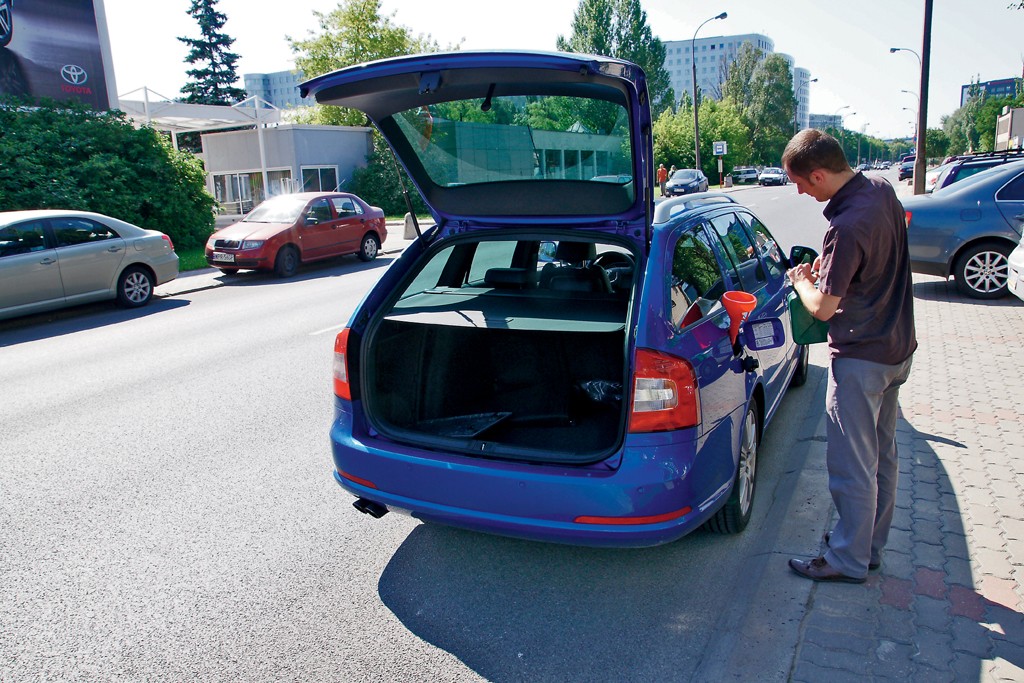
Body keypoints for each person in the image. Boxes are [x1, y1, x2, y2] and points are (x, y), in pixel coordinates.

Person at [782, 129, 917, 584]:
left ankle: (846, 560)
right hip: (896, 347)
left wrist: (803, 279)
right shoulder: (880, 192)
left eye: (802, 182)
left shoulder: (845, 225)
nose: (801, 191)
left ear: (819, 173)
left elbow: (822, 307)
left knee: (852, 467)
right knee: (882, 456)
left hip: (861, 357)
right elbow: (872, 262)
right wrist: (834, 269)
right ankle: (868, 548)